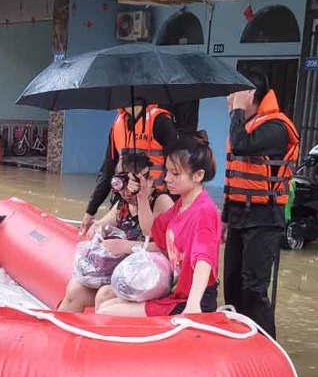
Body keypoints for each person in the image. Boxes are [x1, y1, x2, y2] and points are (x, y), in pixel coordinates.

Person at [95, 134, 221, 317]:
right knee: (105, 299)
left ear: (198, 175)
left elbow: (204, 259)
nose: (167, 178)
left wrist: (193, 306)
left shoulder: (204, 211)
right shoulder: (181, 205)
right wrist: (142, 196)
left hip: (191, 299)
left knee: (108, 311)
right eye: (167, 171)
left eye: (175, 174)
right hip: (176, 291)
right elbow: (151, 232)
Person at [222, 72, 300, 339]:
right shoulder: (247, 124)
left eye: (233, 93)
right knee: (232, 284)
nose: (228, 99)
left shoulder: (275, 127)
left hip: (264, 217)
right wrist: (224, 218)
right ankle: (239, 338)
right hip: (238, 216)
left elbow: (243, 146)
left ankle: (267, 346)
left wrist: (237, 110)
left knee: (253, 289)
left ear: (249, 95)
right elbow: (234, 177)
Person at [58, 161, 174, 312]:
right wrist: (97, 229)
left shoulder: (161, 202)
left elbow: (167, 248)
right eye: (120, 185)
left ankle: (98, 332)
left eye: (130, 186)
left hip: (148, 277)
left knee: (104, 294)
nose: (125, 193)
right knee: (75, 290)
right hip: (123, 272)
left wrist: (126, 246)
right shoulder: (123, 205)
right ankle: (60, 331)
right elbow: (102, 223)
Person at [80, 102, 178, 236]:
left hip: (156, 201)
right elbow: (107, 171)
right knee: (99, 233)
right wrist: (90, 211)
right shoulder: (117, 125)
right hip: (127, 200)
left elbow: (178, 169)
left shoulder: (161, 122)